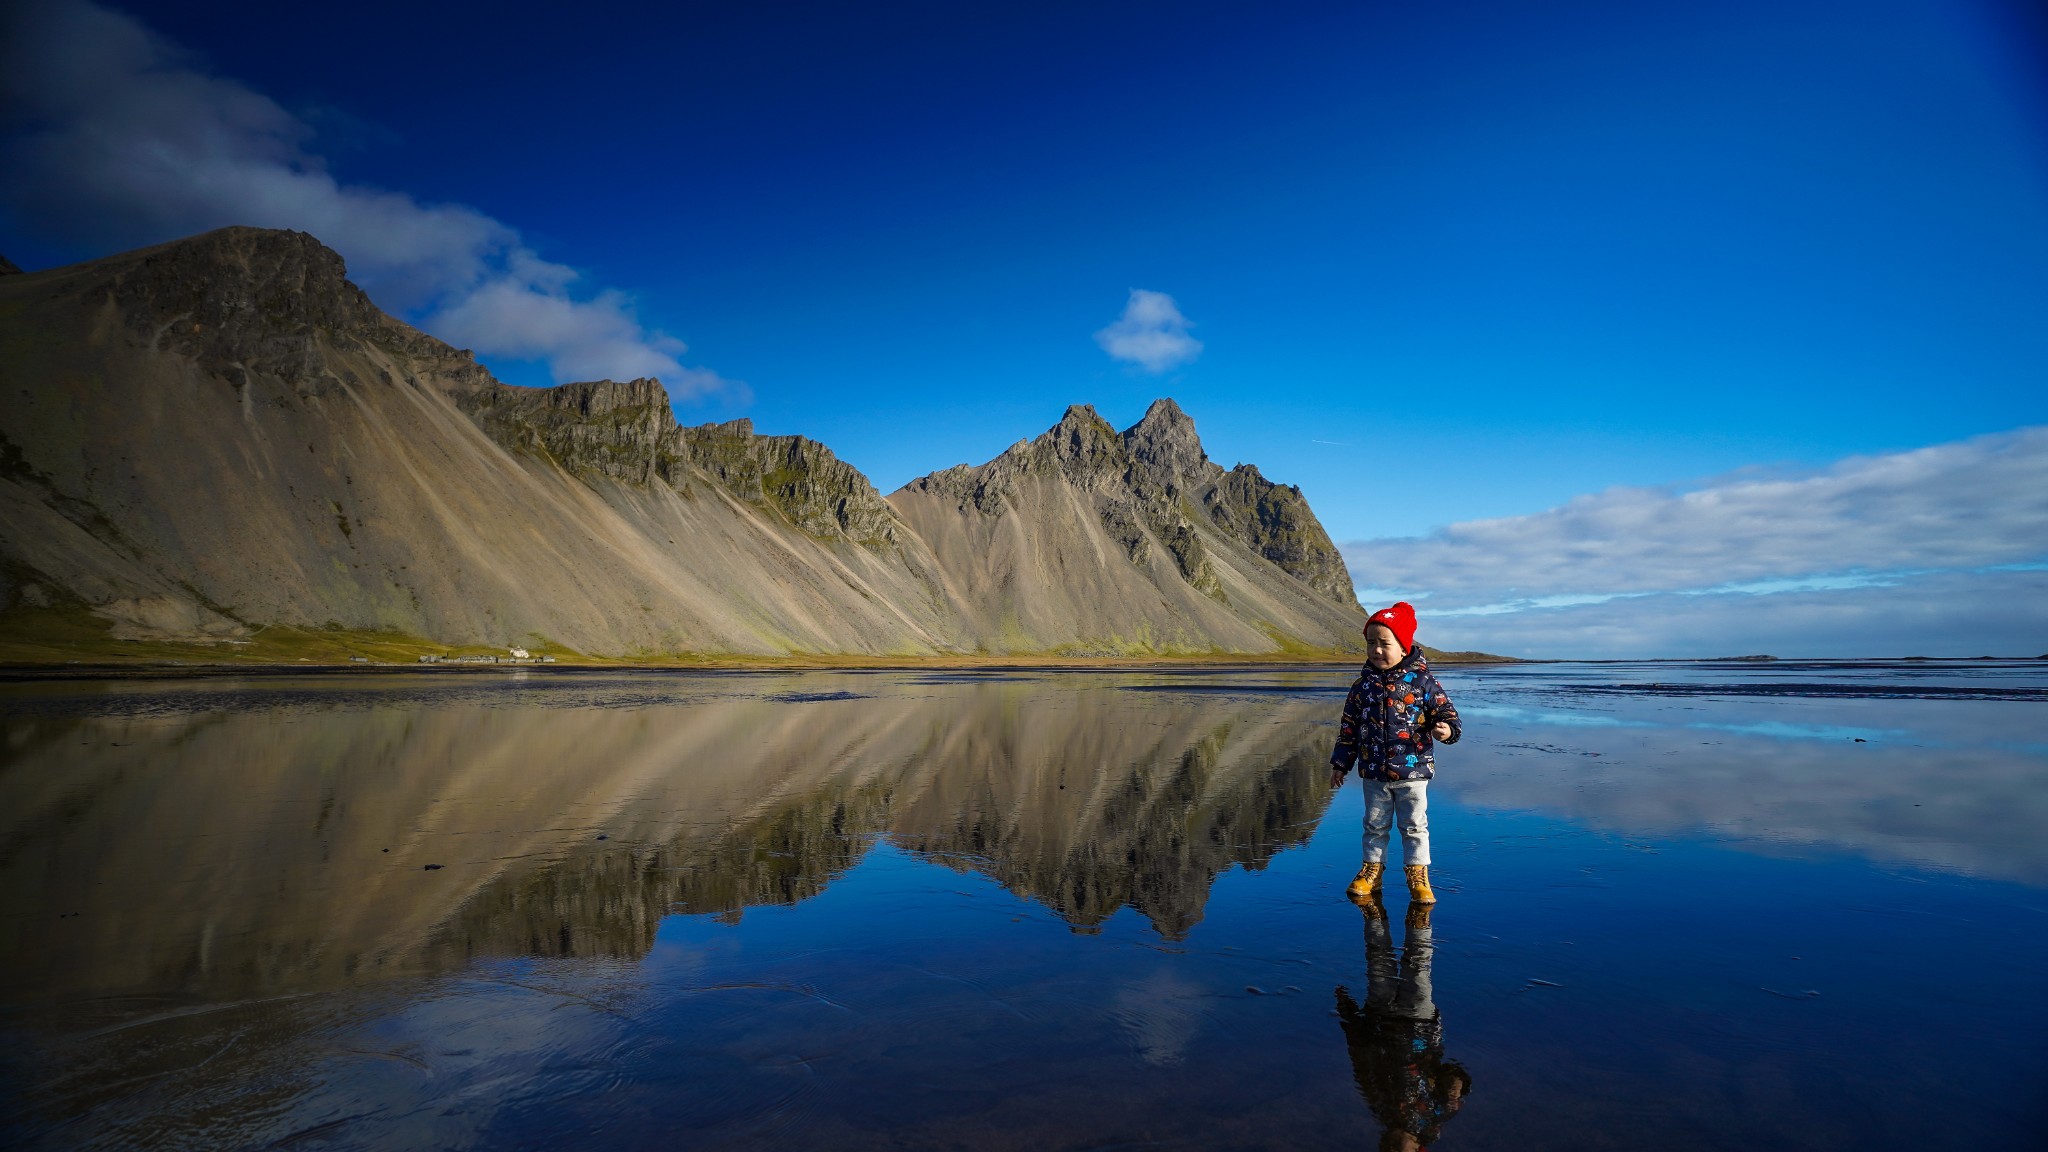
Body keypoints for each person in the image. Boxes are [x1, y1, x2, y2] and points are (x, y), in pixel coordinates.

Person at [1329, 602, 1461, 903]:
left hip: (1413, 771)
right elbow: (1348, 728)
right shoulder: (1362, 687)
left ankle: (1418, 874)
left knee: (1414, 826)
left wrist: (1447, 731)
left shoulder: (1423, 682)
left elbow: (1449, 715)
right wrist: (1341, 763)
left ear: (1403, 646)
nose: (1376, 650)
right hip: (1374, 772)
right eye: (1370, 643)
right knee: (1374, 825)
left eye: (1384, 643)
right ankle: (1371, 871)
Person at [1335, 900, 1471, 1149]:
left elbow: (1361, 1060)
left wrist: (1348, 1013)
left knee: (1378, 958)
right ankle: (1421, 911)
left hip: (1380, 1018)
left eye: (1387, 1149)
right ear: (1419, 1149)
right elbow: (1454, 1075)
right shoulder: (1435, 1117)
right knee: (1418, 964)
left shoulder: (1379, 1106)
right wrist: (1454, 1088)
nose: (1393, 1147)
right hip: (1420, 1025)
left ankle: (1372, 906)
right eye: (1400, 1151)